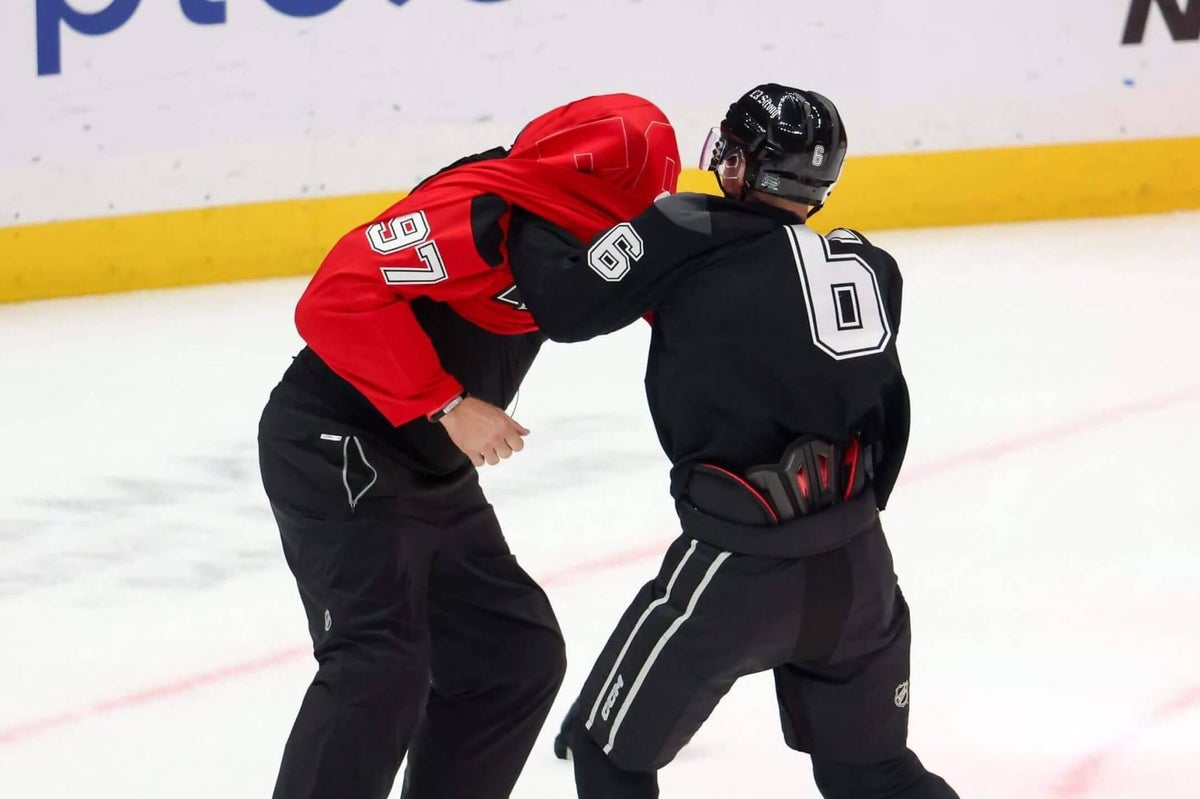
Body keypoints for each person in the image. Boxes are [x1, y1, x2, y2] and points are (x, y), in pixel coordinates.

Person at [508, 84, 960, 798]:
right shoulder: (871, 267)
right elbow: (879, 408)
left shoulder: (684, 227)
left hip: (739, 567)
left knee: (606, 752)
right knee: (872, 775)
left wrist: (518, 202)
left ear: (744, 166)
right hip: (859, 567)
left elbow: (564, 305)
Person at [257, 94, 681, 799]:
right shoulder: (479, 212)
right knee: (377, 666)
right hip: (338, 445)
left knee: (512, 657)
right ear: (586, 189)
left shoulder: (577, 227)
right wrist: (446, 403)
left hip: (427, 468)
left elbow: (669, 297)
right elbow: (333, 297)